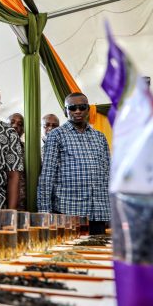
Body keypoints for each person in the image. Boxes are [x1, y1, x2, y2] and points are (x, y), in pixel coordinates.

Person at [37, 92, 110, 235]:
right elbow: (46, 177)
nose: (77, 111)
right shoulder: (56, 135)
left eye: (82, 107)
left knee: (97, 255)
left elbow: (108, 174)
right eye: (72, 108)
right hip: (69, 211)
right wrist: (45, 214)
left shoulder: (100, 137)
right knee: (69, 256)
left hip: (98, 212)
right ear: (65, 111)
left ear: (88, 109)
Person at [7, 112, 26, 210]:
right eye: (12, 122)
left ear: (23, 130)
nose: (15, 126)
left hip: (22, 202)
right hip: (0, 199)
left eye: (20, 124)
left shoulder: (28, 150)